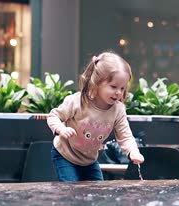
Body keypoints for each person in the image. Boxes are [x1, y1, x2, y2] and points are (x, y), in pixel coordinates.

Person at [47, 51, 144, 182]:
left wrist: (133, 152)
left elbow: (125, 135)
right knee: (70, 190)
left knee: (97, 192)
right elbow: (53, 116)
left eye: (122, 88)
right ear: (97, 82)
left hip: (89, 161)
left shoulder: (118, 110)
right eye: (113, 86)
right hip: (65, 155)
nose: (118, 92)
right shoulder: (78, 101)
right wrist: (60, 129)